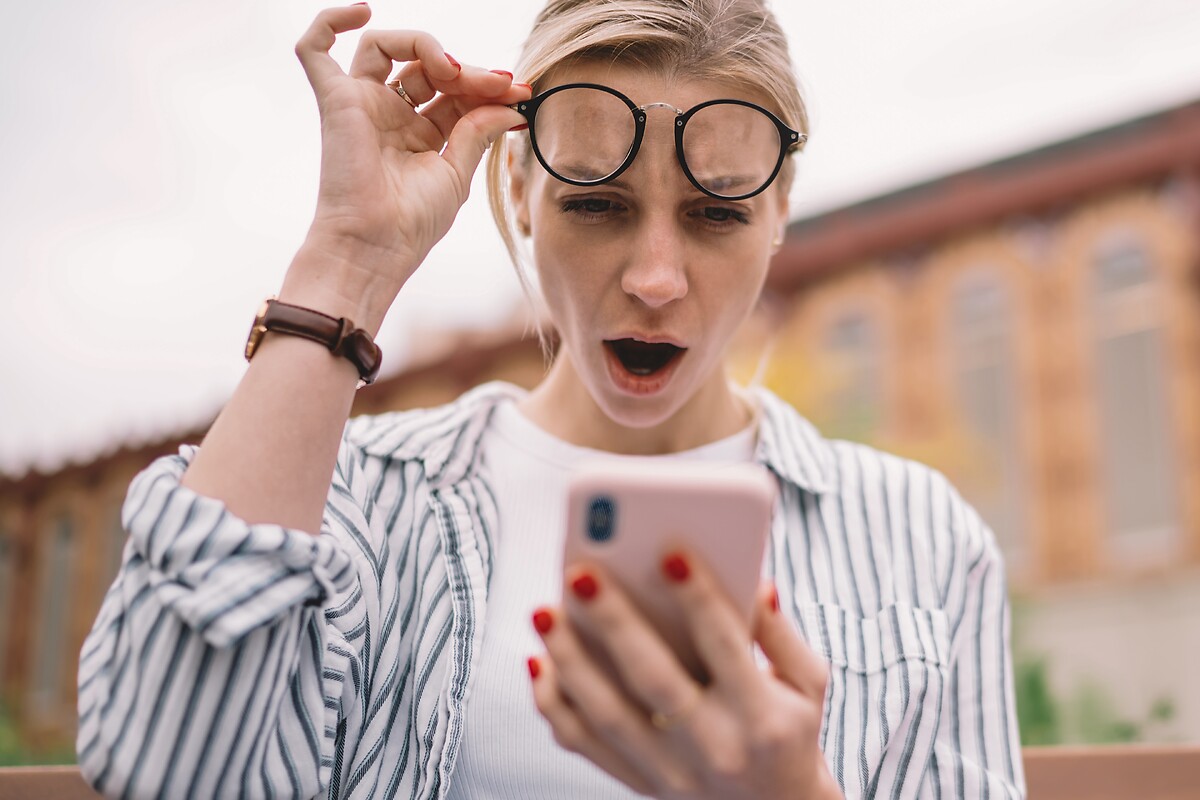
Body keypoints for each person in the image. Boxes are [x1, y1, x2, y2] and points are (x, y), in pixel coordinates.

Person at [76, 0, 1025, 797]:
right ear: (523, 190)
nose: (657, 279)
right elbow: (166, 764)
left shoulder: (922, 538)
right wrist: (347, 259)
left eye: (718, 211)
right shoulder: (350, 497)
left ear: (779, 211)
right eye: (598, 204)